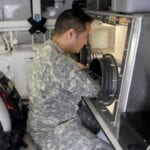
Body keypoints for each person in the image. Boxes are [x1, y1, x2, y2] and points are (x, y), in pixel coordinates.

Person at [27, 9, 113, 150]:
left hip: (44, 120)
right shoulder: (60, 63)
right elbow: (95, 90)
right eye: (85, 36)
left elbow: (60, 74)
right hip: (52, 131)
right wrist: (85, 71)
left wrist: (74, 67)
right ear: (71, 34)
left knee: (105, 125)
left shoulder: (46, 49)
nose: (85, 43)